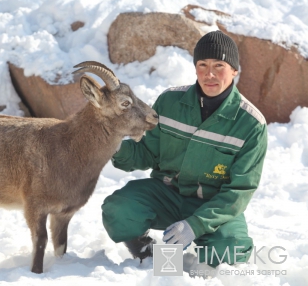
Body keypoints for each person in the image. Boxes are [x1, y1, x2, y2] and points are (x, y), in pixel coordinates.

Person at [101, 30, 268, 268]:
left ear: (234, 70)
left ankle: (205, 259)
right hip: (165, 195)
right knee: (118, 209)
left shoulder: (251, 124)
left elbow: (238, 191)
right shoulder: (169, 102)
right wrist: (113, 144)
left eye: (219, 65)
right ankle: (147, 254)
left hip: (213, 206)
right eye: (202, 64)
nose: (209, 74)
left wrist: (196, 225)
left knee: (231, 249)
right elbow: (147, 152)